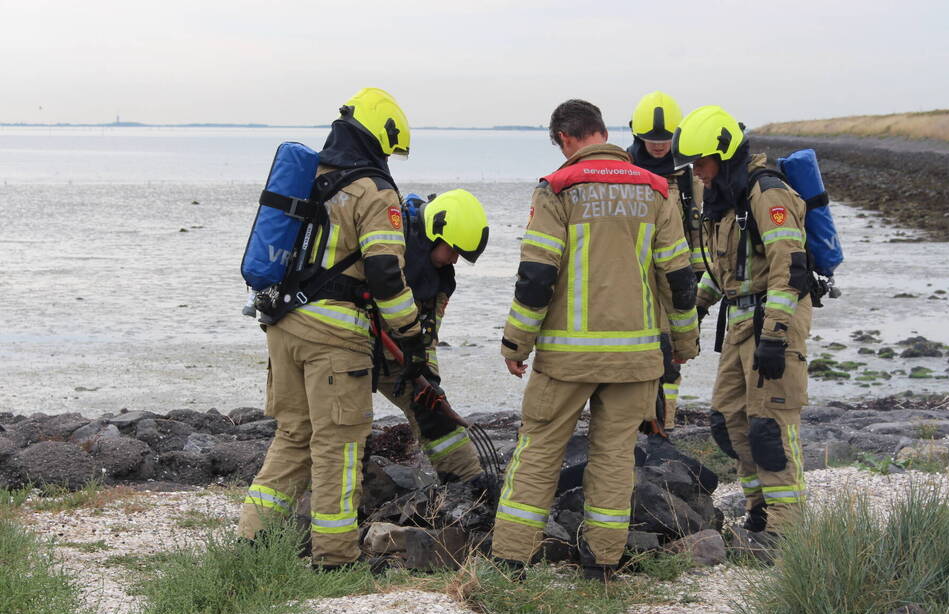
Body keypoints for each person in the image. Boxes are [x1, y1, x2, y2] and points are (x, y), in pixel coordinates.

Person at [493, 99, 700, 581]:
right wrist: (684, 344)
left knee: (540, 449)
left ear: (565, 139)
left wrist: (515, 342)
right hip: (637, 360)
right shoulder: (655, 189)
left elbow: (537, 276)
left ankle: (509, 562)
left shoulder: (558, 189)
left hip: (566, 360)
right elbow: (679, 277)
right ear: (603, 132)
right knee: (614, 457)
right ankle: (603, 565)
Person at [237, 87, 429, 570]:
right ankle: (335, 556)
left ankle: (251, 540)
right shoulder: (373, 190)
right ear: (378, 137)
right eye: (388, 148)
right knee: (340, 443)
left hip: (283, 323)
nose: (388, 158)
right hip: (334, 335)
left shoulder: (313, 177)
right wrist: (412, 333)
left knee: (293, 435)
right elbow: (385, 271)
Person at [672, 105, 811, 547]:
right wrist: (695, 307)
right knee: (728, 418)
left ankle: (785, 531)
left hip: (774, 319)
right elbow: (723, 268)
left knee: (769, 425)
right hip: (742, 318)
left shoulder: (766, 194)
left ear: (725, 153)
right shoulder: (726, 198)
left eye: (702, 163)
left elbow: (790, 267)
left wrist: (775, 334)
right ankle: (757, 511)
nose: (699, 173)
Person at [381, 189, 490, 484]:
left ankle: (470, 484)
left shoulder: (439, 279)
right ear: (435, 232)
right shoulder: (389, 245)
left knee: (433, 412)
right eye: (453, 251)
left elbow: (428, 336)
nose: (454, 260)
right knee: (342, 430)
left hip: (397, 353)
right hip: (353, 343)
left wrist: (431, 383)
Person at [628, 91, 706, 430]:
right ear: (636, 133)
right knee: (634, 358)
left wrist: (699, 285)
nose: (658, 145)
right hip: (632, 282)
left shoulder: (688, 178)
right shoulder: (624, 171)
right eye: (651, 139)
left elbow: (699, 232)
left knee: (672, 359)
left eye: (665, 139)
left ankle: (665, 428)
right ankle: (635, 426)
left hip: (676, 280)